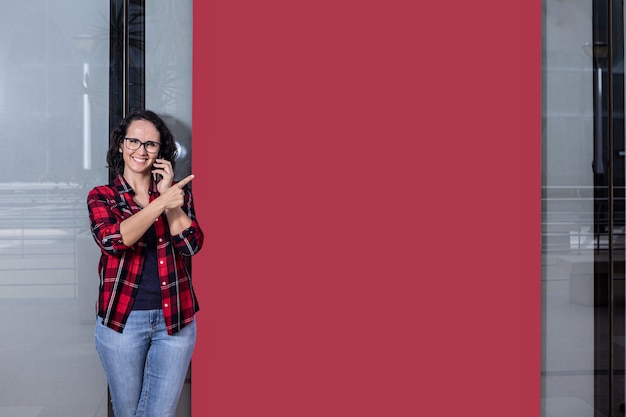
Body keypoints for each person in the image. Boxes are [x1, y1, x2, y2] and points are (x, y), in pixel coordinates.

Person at [87, 109, 204, 417]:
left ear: (160, 151)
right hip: (122, 321)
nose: (141, 150)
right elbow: (114, 240)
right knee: (129, 411)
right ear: (121, 145)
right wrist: (160, 204)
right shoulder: (103, 196)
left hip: (175, 320)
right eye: (134, 141)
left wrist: (168, 199)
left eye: (150, 144)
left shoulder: (176, 194)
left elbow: (190, 245)